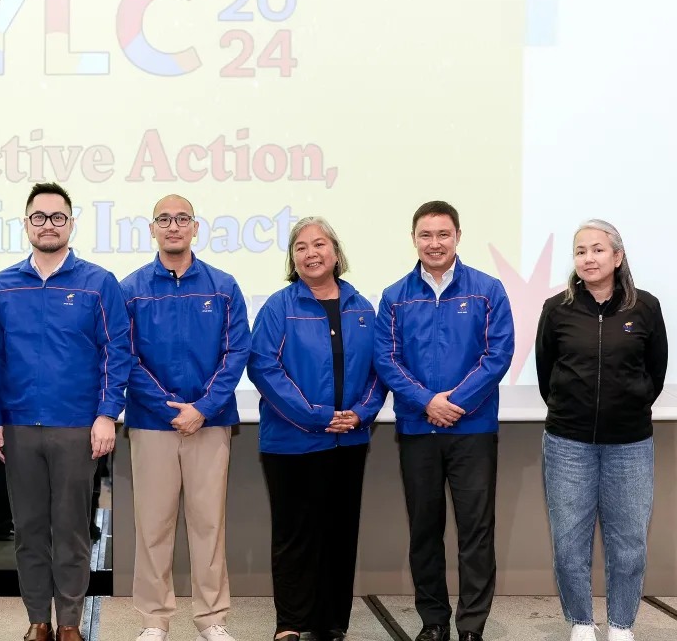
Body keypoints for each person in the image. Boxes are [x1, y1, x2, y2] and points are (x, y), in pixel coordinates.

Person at [0, 182, 131, 641]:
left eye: (57, 217)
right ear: (26, 223)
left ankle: (69, 621)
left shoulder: (98, 282)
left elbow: (117, 352)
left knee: (71, 530)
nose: (48, 225)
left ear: (71, 223)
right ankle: (38, 621)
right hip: (19, 426)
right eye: (39, 217)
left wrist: (107, 413)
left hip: (78, 427)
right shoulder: (4, 284)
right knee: (29, 530)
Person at [373, 201, 514, 641]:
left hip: (472, 430)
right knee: (425, 530)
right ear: (413, 238)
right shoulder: (395, 295)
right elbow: (386, 359)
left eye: (443, 234)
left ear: (457, 236)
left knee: (476, 530)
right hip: (418, 429)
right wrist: (426, 402)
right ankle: (433, 622)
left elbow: (498, 354)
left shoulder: (488, 289)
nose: (434, 243)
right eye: (425, 235)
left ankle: (472, 626)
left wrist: (456, 403)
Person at [248, 217, 387, 641]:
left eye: (320, 244)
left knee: (340, 532)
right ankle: (291, 623)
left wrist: (361, 412)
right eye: (301, 247)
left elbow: (381, 370)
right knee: (295, 534)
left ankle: (331, 623)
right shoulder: (279, 306)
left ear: (336, 252)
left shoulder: (363, 307)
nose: (311, 253)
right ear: (292, 259)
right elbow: (263, 366)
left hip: (350, 439)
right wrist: (315, 415)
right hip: (291, 441)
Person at [121, 194, 252, 641]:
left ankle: (211, 619)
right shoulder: (131, 288)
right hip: (152, 423)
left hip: (210, 423)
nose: (173, 226)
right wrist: (168, 408)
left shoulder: (223, 285)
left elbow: (237, 352)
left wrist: (203, 407)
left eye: (182, 219)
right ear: (152, 227)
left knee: (208, 524)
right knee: (153, 524)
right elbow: (125, 356)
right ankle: (155, 621)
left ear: (196, 227)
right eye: (164, 219)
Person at [535, 220, 668, 641]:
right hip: (567, 443)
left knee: (628, 540)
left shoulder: (645, 307)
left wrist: (629, 404)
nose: (588, 258)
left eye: (596, 250)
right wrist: (567, 408)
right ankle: (579, 621)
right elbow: (545, 373)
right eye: (579, 251)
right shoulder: (556, 309)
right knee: (569, 540)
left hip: (629, 444)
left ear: (617, 256)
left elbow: (656, 373)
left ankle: (621, 624)